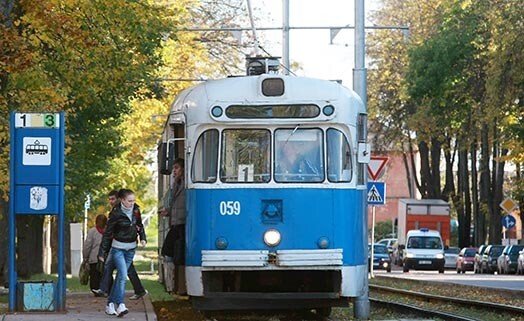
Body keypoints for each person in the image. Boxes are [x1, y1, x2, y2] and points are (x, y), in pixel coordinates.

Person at [98, 189, 147, 317]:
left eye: (133, 200)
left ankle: (110, 305)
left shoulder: (136, 210)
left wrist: (143, 238)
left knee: (120, 276)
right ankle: (120, 304)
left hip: (131, 248)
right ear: (123, 200)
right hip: (118, 248)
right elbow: (108, 233)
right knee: (123, 275)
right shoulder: (115, 213)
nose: (132, 203)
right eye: (130, 201)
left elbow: (140, 225)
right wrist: (102, 252)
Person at [160, 158, 187, 295]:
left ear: (183, 168)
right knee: (168, 251)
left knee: (175, 252)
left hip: (183, 224)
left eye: (176, 168)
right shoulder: (176, 185)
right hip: (175, 222)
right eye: (173, 168)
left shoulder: (187, 184)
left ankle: (182, 285)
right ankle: (178, 284)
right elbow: (177, 204)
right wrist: (168, 211)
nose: (174, 171)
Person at [82, 214, 107, 296]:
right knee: (105, 274)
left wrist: (85, 257)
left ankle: (96, 290)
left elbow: (87, 245)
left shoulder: (92, 231)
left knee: (94, 276)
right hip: (106, 258)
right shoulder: (108, 231)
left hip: (94, 258)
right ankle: (106, 289)